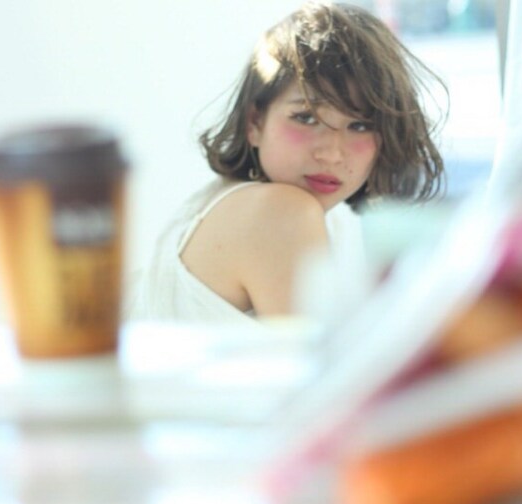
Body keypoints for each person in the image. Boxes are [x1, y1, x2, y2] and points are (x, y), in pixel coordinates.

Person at [129, 1, 445, 325]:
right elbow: (333, 360)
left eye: (360, 126)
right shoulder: (283, 211)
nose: (332, 153)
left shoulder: (319, 216)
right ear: (254, 122)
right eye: (306, 117)